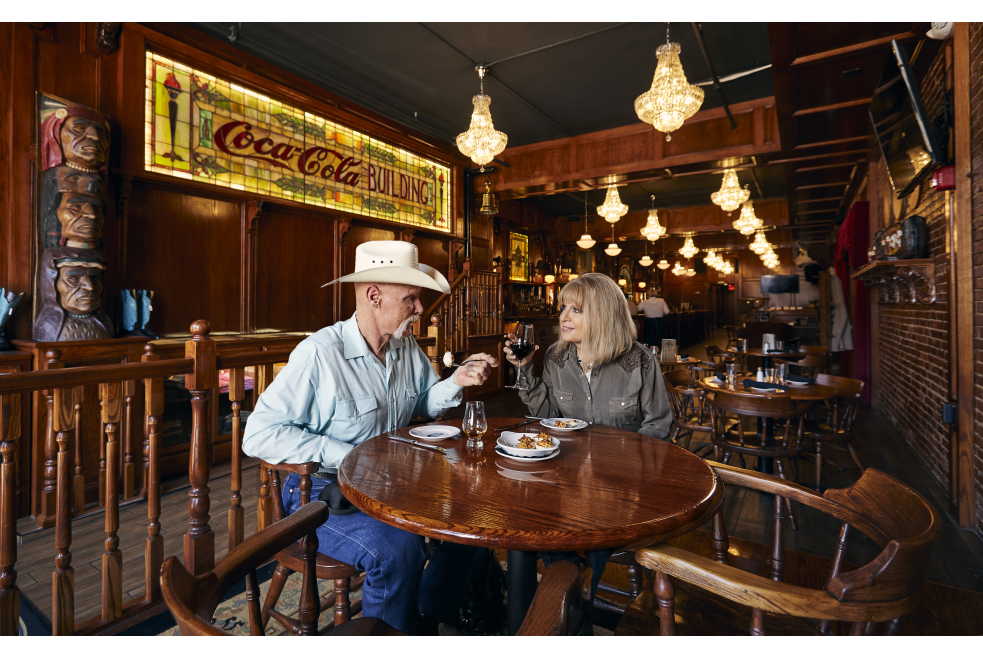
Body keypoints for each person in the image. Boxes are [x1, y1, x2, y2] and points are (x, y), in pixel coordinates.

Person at [242, 241, 498, 634]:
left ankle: (424, 616)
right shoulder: (320, 354)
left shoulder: (404, 346)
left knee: (474, 515)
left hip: (391, 483)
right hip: (320, 494)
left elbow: (425, 403)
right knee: (397, 551)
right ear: (374, 296)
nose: (419, 309)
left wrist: (455, 382)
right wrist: (348, 455)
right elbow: (258, 434)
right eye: (411, 298)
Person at [502, 272, 672, 604]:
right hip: (564, 478)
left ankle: (574, 605)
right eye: (563, 307)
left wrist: (622, 475)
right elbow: (547, 414)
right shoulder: (555, 357)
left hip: (622, 488)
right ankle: (566, 605)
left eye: (575, 310)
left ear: (603, 314)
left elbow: (658, 428)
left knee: (597, 545)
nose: (563, 316)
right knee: (531, 526)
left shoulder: (639, 362)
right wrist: (523, 369)